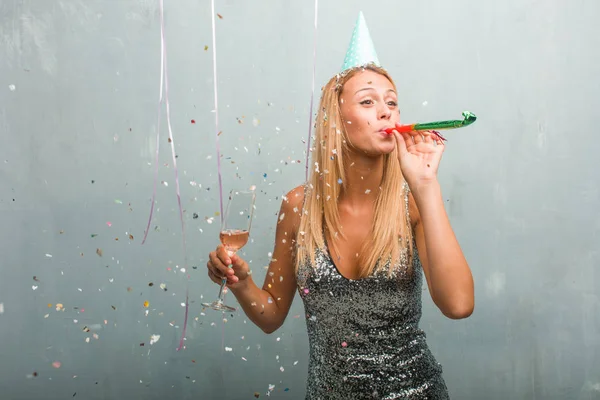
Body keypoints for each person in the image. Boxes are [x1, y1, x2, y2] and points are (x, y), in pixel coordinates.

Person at [206, 12, 474, 399]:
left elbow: (459, 305)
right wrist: (240, 281)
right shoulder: (299, 207)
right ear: (336, 119)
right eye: (368, 101)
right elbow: (270, 316)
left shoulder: (412, 203)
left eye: (392, 102)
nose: (386, 111)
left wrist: (427, 186)